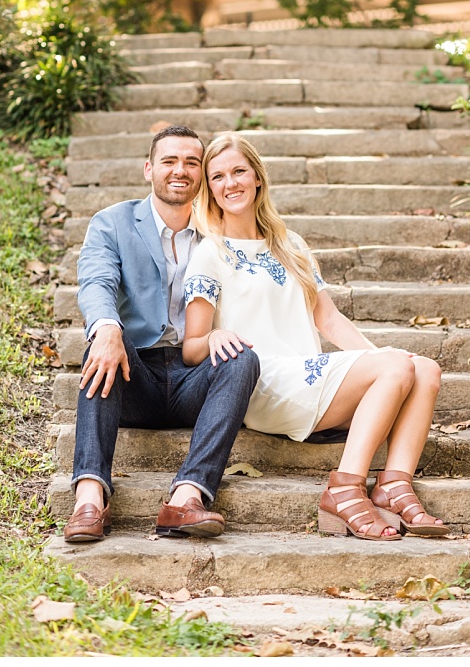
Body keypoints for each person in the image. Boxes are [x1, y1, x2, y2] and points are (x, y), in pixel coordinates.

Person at [181, 132, 448, 540]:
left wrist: (386, 360)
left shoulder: (291, 245)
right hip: (264, 382)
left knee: (424, 369)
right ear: (210, 190)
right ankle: (344, 489)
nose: (230, 183)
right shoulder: (209, 253)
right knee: (397, 367)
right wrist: (214, 337)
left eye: (238, 171)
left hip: (310, 371)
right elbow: (191, 348)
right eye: (217, 177)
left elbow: (329, 319)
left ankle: (394, 486)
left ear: (257, 177)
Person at [66, 125, 261, 542]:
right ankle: (89, 498)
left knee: (243, 358)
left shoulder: (220, 231)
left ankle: (187, 497)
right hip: (134, 373)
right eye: (170, 161)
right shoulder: (113, 223)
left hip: (196, 375)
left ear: (202, 175)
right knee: (103, 344)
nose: (181, 170)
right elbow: (96, 282)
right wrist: (107, 328)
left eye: (192, 162)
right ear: (148, 168)